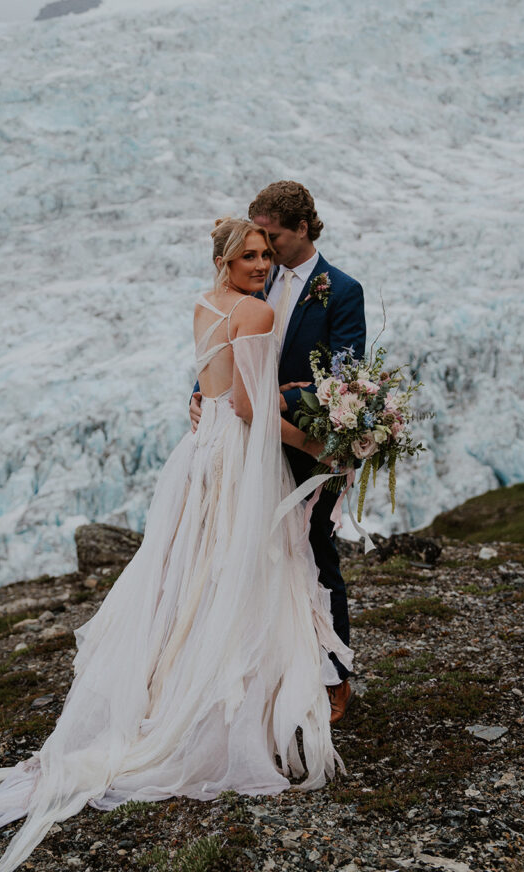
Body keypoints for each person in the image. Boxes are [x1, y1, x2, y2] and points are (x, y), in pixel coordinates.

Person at [0, 218, 352, 872]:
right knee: (242, 569)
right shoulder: (255, 309)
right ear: (227, 261)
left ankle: (175, 678)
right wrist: (321, 446)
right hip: (235, 453)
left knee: (195, 570)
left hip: (199, 452)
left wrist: (211, 403)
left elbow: (211, 387)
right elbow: (252, 408)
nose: (260, 265)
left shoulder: (204, 304)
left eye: (264, 255)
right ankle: (226, 695)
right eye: (249, 256)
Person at [190, 183, 365, 725]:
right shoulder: (254, 280)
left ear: (302, 230)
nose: (262, 250)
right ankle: (272, 672)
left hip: (310, 445)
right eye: (255, 242)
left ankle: (335, 676)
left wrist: (282, 403)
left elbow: (346, 375)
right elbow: (223, 350)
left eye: (271, 238)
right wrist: (202, 397)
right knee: (258, 557)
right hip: (250, 442)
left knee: (315, 552)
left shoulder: (341, 289)